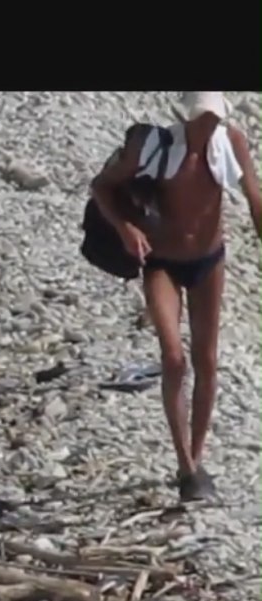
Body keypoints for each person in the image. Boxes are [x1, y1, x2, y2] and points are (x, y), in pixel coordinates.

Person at [91, 92, 261, 500]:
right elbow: (101, 186)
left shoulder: (228, 142)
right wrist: (125, 229)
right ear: (187, 118)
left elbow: (254, 195)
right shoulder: (154, 147)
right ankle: (183, 462)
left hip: (208, 260)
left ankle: (195, 461)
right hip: (161, 261)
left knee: (207, 359)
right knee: (173, 357)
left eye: (213, 120)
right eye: (201, 120)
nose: (208, 127)